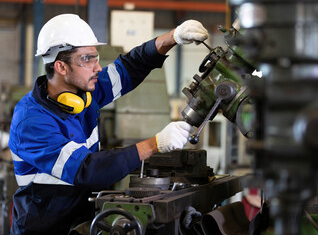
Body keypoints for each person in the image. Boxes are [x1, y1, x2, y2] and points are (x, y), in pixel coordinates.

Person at [8, 13, 208, 234]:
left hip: (84, 222)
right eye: (87, 59)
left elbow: (129, 68)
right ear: (61, 67)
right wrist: (155, 144)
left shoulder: (85, 95)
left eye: (96, 57)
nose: (98, 67)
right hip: (46, 229)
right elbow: (87, 169)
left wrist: (174, 37)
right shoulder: (31, 121)